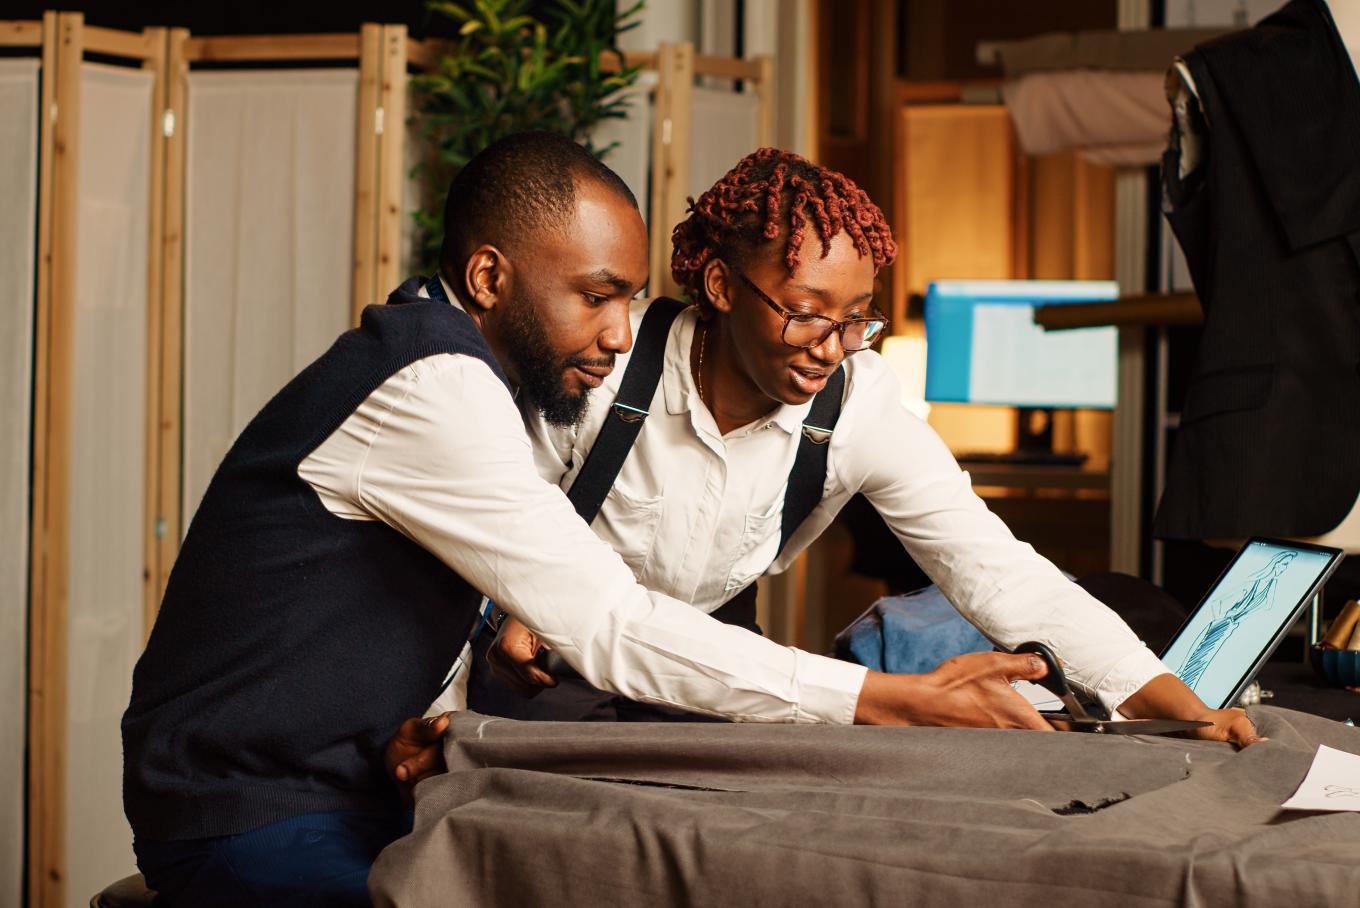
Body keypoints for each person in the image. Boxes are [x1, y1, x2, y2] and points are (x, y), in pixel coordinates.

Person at [122, 132, 1060, 908]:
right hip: (247, 814)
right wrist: (893, 701)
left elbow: (406, 602)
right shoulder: (433, 385)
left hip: (357, 790)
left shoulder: (463, 373)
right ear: (491, 276)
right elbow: (612, 621)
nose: (621, 334)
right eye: (598, 295)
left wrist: (443, 701)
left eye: (628, 297)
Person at [453, 148, 1259, 748]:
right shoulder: (603, 357)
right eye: (805, 312)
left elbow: (998, 571)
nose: (831, 346)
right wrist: (513, 604)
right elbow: (482, 528)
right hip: (547, 677)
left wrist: (1173, 703)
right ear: (724, 288)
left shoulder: (857, 402)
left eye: (856, 319)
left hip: (717, 680)